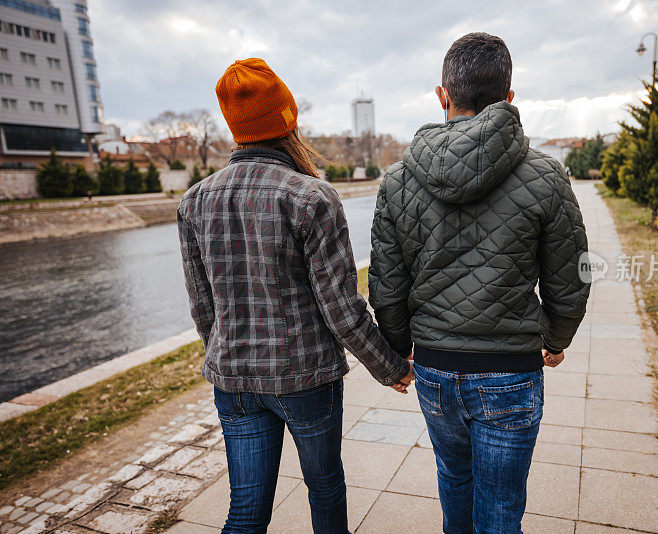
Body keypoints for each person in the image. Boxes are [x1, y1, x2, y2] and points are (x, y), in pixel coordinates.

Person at [178, 58, 413, 534]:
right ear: (287, 120)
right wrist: (391, 366)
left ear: (234, 127)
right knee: (325, 490)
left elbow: (203, 307)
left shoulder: (194, 200)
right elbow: (341, 309)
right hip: (305, 377)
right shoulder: (311, 196)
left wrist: (227, 356)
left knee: (245, 511)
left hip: (235, 380)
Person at [369, 33, 590, 533]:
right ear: (509, 99)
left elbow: (386, 283)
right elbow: (570, 277)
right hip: (510, 368)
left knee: (454, 483)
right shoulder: (546, 177)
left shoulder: (398, 181)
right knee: (502, 506)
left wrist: (402, 347)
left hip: (434, 367)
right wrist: (555, 339)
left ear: (442, 96)